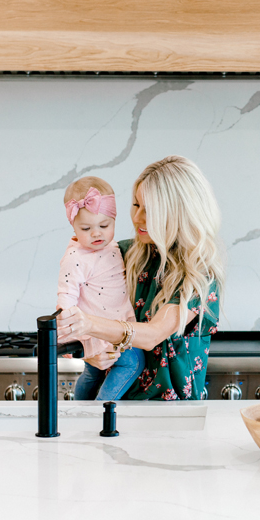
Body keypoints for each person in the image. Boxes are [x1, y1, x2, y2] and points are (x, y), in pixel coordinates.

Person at [57, 156, 223, 400]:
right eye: (136, 205)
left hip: (171, 415)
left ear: (179, 214)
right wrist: (88, 352)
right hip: (114, 407)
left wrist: (90, 325)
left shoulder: (199, 276)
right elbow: (70, 305)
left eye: (150, 211)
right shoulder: (119, 254)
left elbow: (152, 335)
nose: (137, 218)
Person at [57, 176, 144, 401]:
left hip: (115, 326)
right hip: (102, 331)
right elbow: (65, 298)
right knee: (133, 363)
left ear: (114, 220)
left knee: (92, 374)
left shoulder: (112, 247)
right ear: (73, 225)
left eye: (104, 226)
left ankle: (81, 408)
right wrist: (65, 338)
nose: (97, 233)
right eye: (86, 228)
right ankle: (101, 409)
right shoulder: (75, 257)